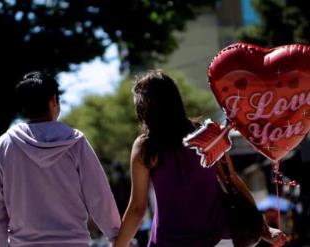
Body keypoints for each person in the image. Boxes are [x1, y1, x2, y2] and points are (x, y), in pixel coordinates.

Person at [113, 70, 286, 247]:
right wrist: (264, 229)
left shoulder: (146, 147)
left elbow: (137, 208)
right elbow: (232, 181)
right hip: (219, 240)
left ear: (145, 107)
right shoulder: (208, 135)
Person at [0, 72, 120, 247]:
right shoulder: (75, 142)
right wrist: (117, 235)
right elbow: (99, 197)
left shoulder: (3, 146)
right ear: (53, 101)